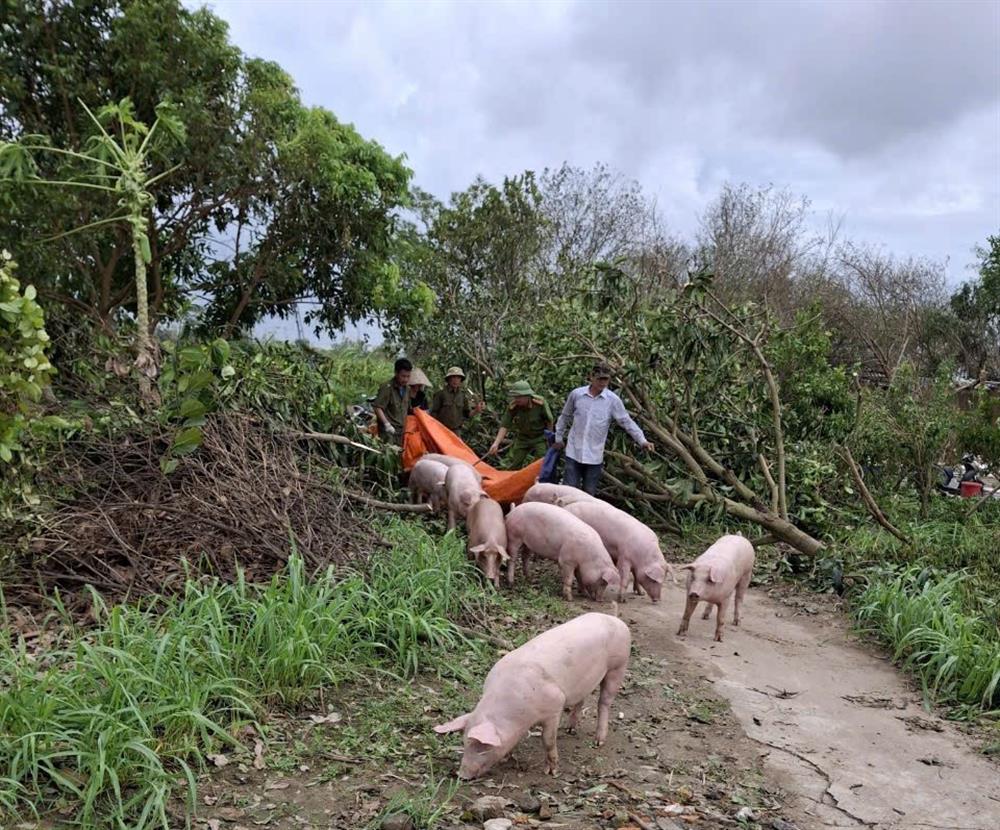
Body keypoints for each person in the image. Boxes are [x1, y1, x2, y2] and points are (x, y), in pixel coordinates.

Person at [554, 363, 654, 495]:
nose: (602, 382)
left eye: (605, 379)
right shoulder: (577, 395)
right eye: (599, 378)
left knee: (589, 494)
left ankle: (585, 515)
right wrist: (558, 437)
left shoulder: (613, 400)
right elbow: (565, 416)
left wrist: (642, 441)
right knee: (569, 491)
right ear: (591, 377)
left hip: (595, 455)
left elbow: (626, 422)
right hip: (574, 451)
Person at [488, 380, 554, 468]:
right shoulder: (514, 406)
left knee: (541, 461)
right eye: (515, 397)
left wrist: (549, 439)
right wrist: (496, 443)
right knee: (515, 462)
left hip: (539, 437)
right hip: (523, 438)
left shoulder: (539, 403)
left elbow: (549, 420)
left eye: (519, 397)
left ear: (527, 396)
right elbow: (505, 425)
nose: (516, 399)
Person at [430, 366, 483, 431]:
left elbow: (466, 414)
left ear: (461, 380)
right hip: (441, 430)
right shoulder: (440, 394)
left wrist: (476, 410)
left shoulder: (462, 396)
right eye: (453, 377)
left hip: (456, 431)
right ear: (448, 379)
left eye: (458, 377)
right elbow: (433, 413)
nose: (456, 380)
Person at [374, 358, 412, 444]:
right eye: (403, 376)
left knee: (399, 454)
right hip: (388, 431)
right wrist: (387, 424)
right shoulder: (387, 388)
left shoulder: (407, 389)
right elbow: (377, 407)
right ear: (396, 373)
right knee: (390, 454)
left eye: (408, 376)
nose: (405, 379)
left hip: (401, 430)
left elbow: (408, 409)